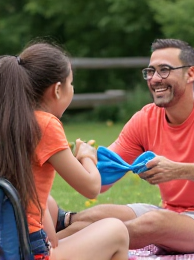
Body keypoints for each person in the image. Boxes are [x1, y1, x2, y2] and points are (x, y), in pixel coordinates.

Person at [56, 38, 194, 255]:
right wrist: (88, 157)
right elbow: (100, 184)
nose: (154, 79)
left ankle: (77, 249)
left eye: (164, 70)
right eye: (150, 71)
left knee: (154, 221)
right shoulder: (145, 119)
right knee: (99, 214)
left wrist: (176, 169)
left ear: (190, 74)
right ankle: (40, 249)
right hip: (175, 215)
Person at [0, 41, 129, 260]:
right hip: (25, 251)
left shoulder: (8, 122)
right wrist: (87, 156)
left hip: (8, 245)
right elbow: (91, 188)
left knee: (50, 204)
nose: (73, 89)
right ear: (58, 90)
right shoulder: (45, 125)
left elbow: (49, 230)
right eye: (71, 84)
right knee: (116, 231)